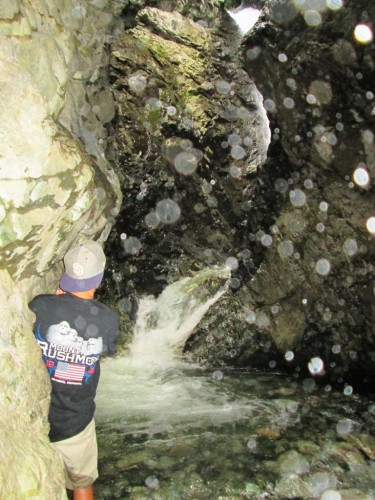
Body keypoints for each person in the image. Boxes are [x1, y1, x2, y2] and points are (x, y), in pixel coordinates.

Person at [29, 240, 119, 500]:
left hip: (42, 417)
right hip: (76, 421)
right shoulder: (108, 320)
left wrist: (58, 301)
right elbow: (108, 349)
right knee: (82, 483)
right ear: (99, 279)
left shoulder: (40, 306)